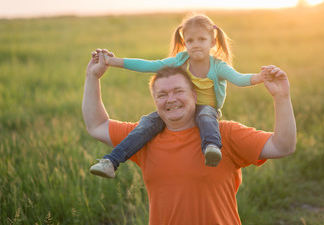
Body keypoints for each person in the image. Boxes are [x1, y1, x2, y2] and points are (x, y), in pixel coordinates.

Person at [82, 51, 296, 224]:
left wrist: (282, 97)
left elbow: (283, 146)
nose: (171, 99)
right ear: (154, 101)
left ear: (195, 95)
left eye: (178, 91)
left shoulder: (225, 134)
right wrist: (92, 77)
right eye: (162, 95)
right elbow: (97, 125)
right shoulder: (142, 137)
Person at [90, 14, 266, 178]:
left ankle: (211, 147)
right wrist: (113, 61)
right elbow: (150, 65)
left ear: (213, 42)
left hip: (207, 110)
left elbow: (239, 79)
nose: (195, 44)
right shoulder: (181, 60)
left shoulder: (218, 66)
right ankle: (111, 162)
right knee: (147, 124)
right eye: (190, 40)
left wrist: (259, 78)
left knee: (205, 115)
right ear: (184, 43)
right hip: (181, 108)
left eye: (201, 39)